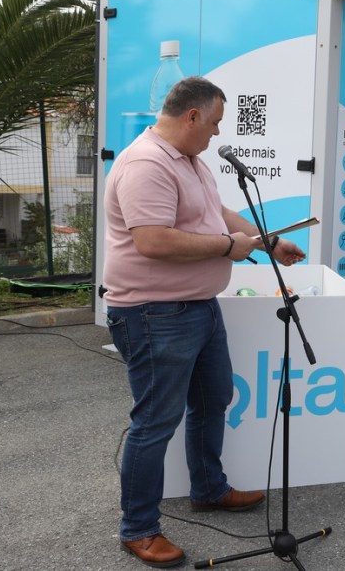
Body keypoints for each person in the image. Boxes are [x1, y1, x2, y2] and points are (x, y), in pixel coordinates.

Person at [103, 76, 305, 568]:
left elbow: (217, 212)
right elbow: (153, 240)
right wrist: (226, 247)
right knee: (155, 421)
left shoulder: (189, 160)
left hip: (198, 306)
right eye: (214, 123)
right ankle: (138, 528)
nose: (217, 133)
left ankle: (209, 488)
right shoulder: (146, 164)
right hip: (154, 313)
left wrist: (268, 241)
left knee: (214, 398)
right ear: (191, 116)